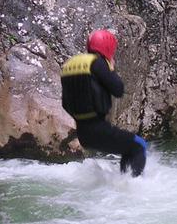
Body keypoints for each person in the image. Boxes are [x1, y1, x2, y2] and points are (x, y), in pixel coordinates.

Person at [60, 29, 147, 177]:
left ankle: (125, 181)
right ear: (108, 47)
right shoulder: (97, 63)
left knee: (129, 148)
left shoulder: (69, 65)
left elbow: (65, 104)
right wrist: (110, 68)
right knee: (139, 145)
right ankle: (134, 184)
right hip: (98, 128)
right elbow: (118, 89)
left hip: (82, 133)